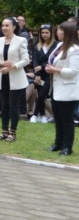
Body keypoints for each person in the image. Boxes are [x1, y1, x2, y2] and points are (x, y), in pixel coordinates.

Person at [0, 17, 30, 142]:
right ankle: (4, 131)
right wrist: (2, 63)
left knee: (13, 105)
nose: (4, 28)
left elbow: (26, 60)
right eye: (3, 25)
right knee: (4, 105)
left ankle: (12, 132)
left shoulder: (21, 40)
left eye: (7, 25)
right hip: (2, 76)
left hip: (16, 78)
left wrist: (12, 67)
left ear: (14, 27)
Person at [45, 21, 79, 156]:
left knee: (67, 119)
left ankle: (67, 146)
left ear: (68, 33)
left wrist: (56, 70)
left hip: (67, 89)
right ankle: (58, 143)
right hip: (56, 88)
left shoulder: (75, 50)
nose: (58, 33)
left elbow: (73, 71)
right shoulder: (59, 45)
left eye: (60, 31)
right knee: (57, 117)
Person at [31, 24, 57, 123]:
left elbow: (53, 60)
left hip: (50, 74)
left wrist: (42, 66)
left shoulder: (56, 45)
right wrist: (37, 73)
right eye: (42, 33)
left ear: (51, 33)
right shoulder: (37, 45)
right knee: (40, 95)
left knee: (42, 95)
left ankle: (34, 114)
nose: (44, 35)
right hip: (39, 75)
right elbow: (35, 61)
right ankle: (42, 116)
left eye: (47, 32)